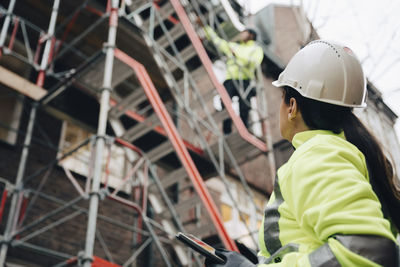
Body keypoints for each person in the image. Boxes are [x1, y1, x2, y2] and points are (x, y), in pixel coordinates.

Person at [206, 40, 400, 266]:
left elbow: (368, 252)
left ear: (292, 107)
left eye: (281, 98)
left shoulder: (318, 155)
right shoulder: (336, 154)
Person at [200, 21, 264, 134]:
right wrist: (205, 27)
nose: (241, 35)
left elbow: (254, 62)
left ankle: (245, 129)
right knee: (224, 102)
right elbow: (219, 42)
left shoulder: (256, 49)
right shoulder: (235, 46)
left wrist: (237, 55)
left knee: (244, 106)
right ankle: (227, 130)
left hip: (244, 80)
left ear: (251, 35)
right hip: (230, 79)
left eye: (244, 32)